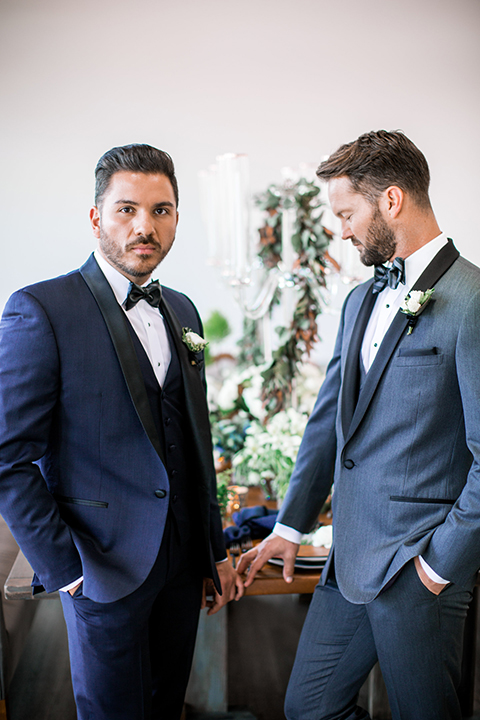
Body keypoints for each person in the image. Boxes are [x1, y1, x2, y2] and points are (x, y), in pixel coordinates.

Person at [238, 130, 480, 720]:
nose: (340, 230)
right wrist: (292, 526)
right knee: (309, 708)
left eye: (347, 213)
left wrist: (436, 567)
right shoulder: (357, 301)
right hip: (348, 564)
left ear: (391, 201)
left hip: (420, 570)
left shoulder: (472, 301)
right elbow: (330, 425)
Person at [0, 143, 243, 720]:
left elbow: (197, 438)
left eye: (161, 211)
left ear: (177, 219)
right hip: (100, 566)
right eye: (127, 209)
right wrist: (67, 570)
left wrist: (214, 551)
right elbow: (8, 456)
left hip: (183, 565)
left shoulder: (183, 310)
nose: (145, 227)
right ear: (95, 218)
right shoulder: (41, 309)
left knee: (166, 706)